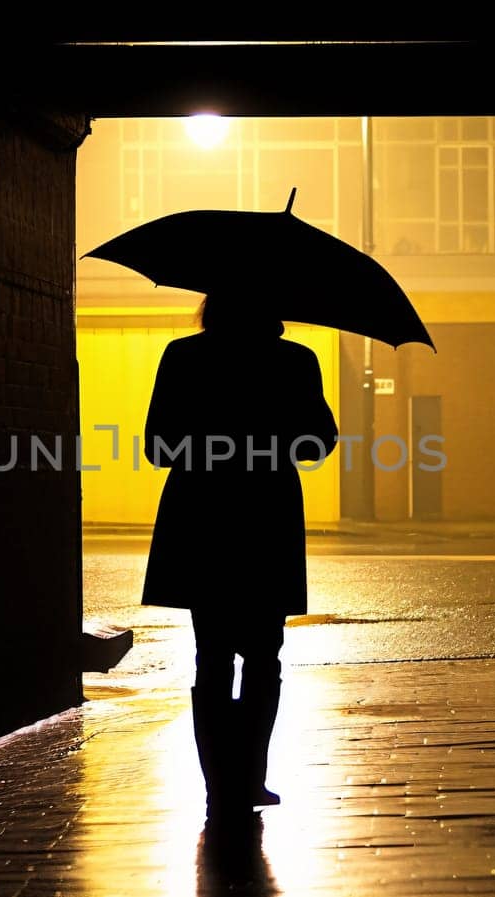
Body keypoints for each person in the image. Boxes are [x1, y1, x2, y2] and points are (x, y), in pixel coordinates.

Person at [141, 292, 338, 819]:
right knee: (263, 656)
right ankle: (251, 777)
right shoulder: (295, 361)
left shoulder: (183, 356)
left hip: (201, 516)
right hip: (264, 519)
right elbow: (319, 444)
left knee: (212, 655)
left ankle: (218, 785)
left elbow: (158, 446)